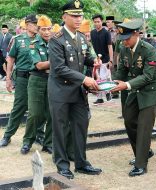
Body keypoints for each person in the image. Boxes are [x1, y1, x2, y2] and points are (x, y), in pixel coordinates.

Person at [48, 0, 102, 179]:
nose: (78, 19)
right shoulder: (56, 39)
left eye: (80, 15)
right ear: (64, 17)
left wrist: (93, 61)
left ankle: (81, 163)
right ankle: (62, 164)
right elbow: (59, 68)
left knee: (81, 126)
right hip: (60, 91)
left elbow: (83, 58)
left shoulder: (80, 37)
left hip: (78, 91)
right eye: (74, 15)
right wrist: (85, 79)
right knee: (61, 129)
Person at [111, 19, 156, 176]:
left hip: (150, 91)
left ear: (136, 34)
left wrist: (126, 85)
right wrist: (111, 83)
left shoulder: (148, 49)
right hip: (134, 89)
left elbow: (147, 76)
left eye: (126, 38)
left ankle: (141, 164)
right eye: (122, 39)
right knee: (129, 121)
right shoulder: (123, 47)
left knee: (144, 127)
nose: (124, 42)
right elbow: (121, 70)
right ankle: (144, 152)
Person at [0, 14, 45, 148]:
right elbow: (10, 60)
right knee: (19, 107)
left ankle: (39, 135)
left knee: (39, 108)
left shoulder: (41, 38)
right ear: (27, 25)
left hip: (37, 78)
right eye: (34, 23)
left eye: (38, 24)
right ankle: (7, 136)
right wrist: (8, 79)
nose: (37, 26)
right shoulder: (18, 39)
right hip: (22, 78)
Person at [20, 15, 53, 155]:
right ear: (38, 30)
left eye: (48, 29)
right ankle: (27, 141)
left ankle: (48, 143)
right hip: (36, 80)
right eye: (43, 29)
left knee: (51, 113)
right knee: (35, 113)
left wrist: (51, 66)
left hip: (52, 81)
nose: (46, 32)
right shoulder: (33, 44)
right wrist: (57, 61)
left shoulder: (56, 43)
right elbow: (39, 65)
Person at [91, 14, 113, 104]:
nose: (97, 23)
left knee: (104, 77)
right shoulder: (92, 33)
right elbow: (92, 46)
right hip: (97, 60)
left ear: (101, 22)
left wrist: (111, 60)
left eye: (98, 22)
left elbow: (110, 47)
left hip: (105, 59)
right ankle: (100, 97)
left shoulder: (106, 32)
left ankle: (108, 92)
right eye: (95, 22)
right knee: (98, 78)